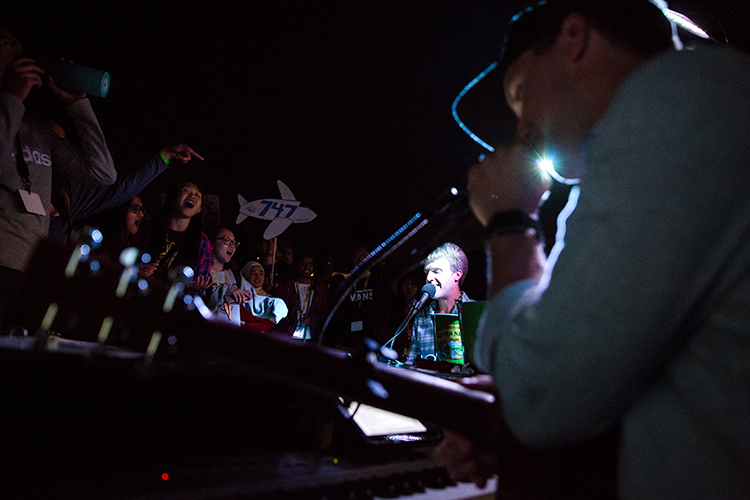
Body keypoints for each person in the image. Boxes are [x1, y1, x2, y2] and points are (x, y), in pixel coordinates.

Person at [437, 1, 750, 498]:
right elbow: (596, 367)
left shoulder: (675, 100)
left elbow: (546, 396)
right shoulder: (670, 127)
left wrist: (510, 224)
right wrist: (512, 405)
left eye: (520, 94)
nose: (520, 128)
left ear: (574, 35)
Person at [0, 27, 116, 327]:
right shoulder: (9, 112)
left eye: (15, 43)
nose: (12, 49)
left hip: (31, 274)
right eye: (2, 42)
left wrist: (77, 104)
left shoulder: (38, 128)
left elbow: (102, 173)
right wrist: (11, 97)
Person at [48, 143, 203, 243]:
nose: (141, 215)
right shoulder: (97, 241)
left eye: (142, 210)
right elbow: (123, 189)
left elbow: (123, 188)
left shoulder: (73, 198)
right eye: (136, 209)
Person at [404, 242, 472, 364]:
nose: (428, 278)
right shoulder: (421, 318)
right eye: (427, 272)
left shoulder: (475, 312)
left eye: (436, 271)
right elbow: (411, 363)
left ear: (456, 275)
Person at [138, 180, 212, 287]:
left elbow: (198, 285)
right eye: (186, 190)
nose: (192, 196)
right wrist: (137, 272)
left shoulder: (202, 242)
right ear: (173, 197)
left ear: (199, 209)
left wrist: (190, 287)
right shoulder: (148, 228)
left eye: (198, 195)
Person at [271, 254, 328, 341]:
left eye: (310, 264)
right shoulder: (286, 286)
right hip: (288, 333)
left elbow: (324, 312)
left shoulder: (320, 289)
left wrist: (312, 319)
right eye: (303, 264)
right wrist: (290, 315)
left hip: (311, 335)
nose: (306, 267)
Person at [203, 226, 252, 325]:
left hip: (232, 338)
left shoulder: (236, 278)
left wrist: (272, 303)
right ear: (212, 244)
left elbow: (254, 297)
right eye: (227, 241)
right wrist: (228, 291)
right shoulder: (202, 274)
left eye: (234, 243)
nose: (232, 246)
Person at [238, 260, 288, 331]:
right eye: (253, 273)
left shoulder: (270, 300)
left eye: (261, 274)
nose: (258, 277)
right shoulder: (239, 296)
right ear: (245, 274)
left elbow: (271, 323)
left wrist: (245, 324)